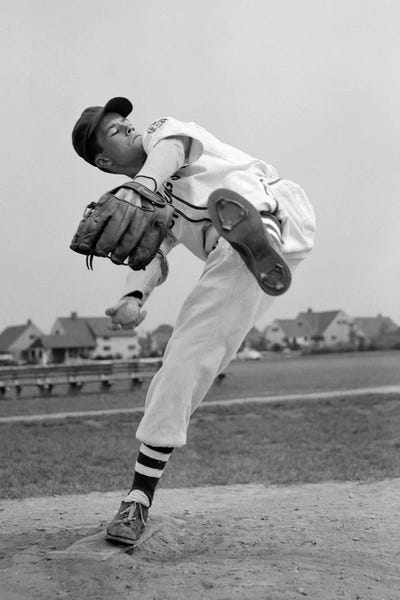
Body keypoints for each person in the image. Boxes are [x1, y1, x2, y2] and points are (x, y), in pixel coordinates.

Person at [71, 97, 316, 545]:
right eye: (113, 130)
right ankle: (138, 500)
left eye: (125, 121)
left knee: (232, 213)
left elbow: (173, 149)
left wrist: (141, 183)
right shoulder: (154, 202)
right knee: (187, 358)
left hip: (270, 202)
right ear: (104, 161)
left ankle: (259, 232)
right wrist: (132, 294)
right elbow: (152, 252)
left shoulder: (161, 135)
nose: (128, 127)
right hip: (238, 255)